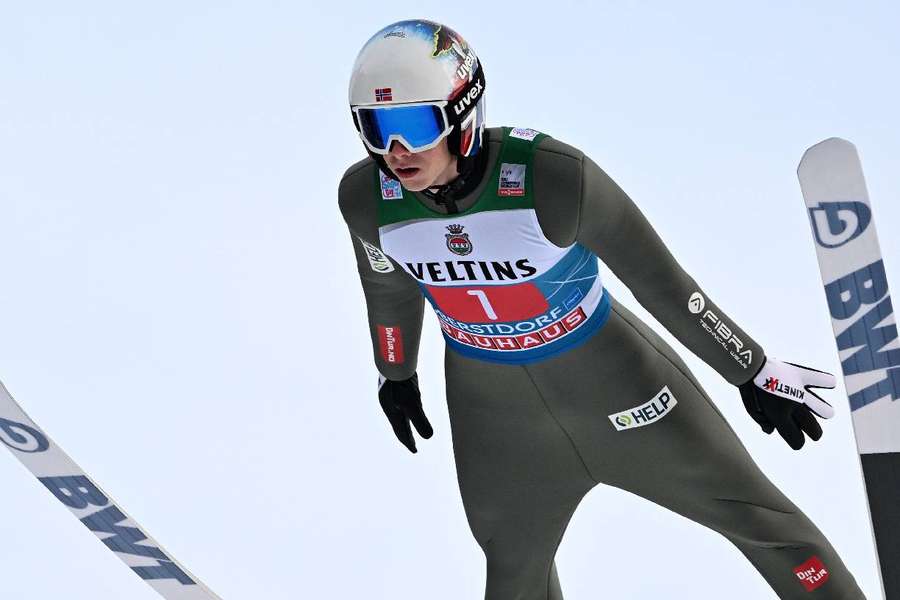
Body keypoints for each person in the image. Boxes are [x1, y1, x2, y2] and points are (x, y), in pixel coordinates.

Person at [338, 19, 866, 600]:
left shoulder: (554, 178)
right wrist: (396, 373)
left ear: (464, 115)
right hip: (496, 418)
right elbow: (386, 288)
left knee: (768, 528)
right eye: (376, 128)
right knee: (514, 576)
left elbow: (661, 282)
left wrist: (750, 367)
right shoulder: (366, 200)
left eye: (414, 125)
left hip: (622, 390)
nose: (396, 151)